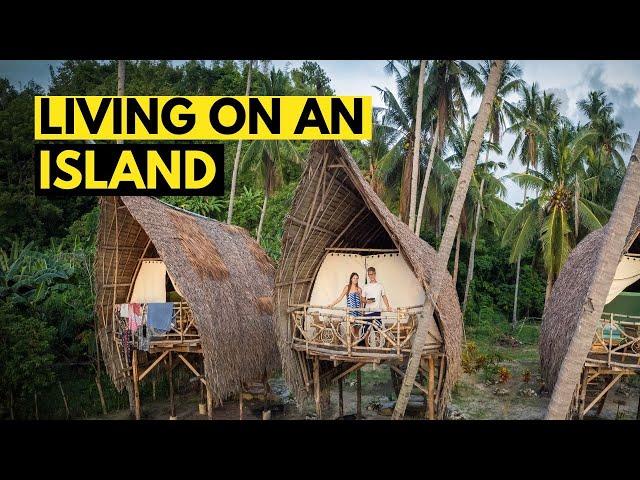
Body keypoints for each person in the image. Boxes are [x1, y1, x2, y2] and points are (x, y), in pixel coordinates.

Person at [328, 273, 362, 342]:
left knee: (357, 332)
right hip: (350, 312)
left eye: (357, 278)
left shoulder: (359, 289)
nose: (355, 280)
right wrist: (332, 304)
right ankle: (350, 348)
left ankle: (355, 349)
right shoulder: (347, 287)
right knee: (351, 331)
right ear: (351, 279)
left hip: (358, 312)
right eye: (354, 278)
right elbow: (340, 298)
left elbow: (361, 301)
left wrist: (362, 312)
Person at [361, 267, 391, 337]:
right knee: (365, 332)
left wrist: (388, 306)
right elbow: (362, 299)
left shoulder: (380, 286)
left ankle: (377, 347)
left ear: (375, 274)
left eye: (372, 274)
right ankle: (366, 348)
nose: (371, 276)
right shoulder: (365, 286)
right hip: (367, 312)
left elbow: (384, 296)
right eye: (369, 274)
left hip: (377, 311)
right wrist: (367, 301)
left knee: (378, 330)